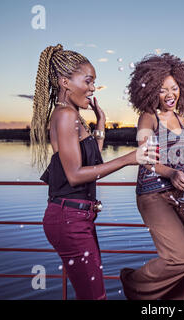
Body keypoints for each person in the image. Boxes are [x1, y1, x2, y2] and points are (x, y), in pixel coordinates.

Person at [30, 44, 157, 300]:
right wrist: (129, 159)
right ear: (65, 82)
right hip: (69, 220)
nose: (92, 88)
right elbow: (76, 174)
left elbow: (91, 161)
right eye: (88, 81)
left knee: (91, 294)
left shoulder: (72, 115)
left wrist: (100, 125)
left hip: (76, 218)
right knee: (94, 297)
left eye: (94, 82)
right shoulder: (65, 115)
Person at [119, 53, 184, 300]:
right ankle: (132, 282)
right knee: (182, 258)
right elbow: (145, 156)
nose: (170, 95)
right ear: (149, 92)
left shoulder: (180, 118)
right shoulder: (149, 116)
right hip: (154, 195)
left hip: (183, 194)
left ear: (183, 87)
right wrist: (171, 172)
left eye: (174, 88)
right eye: (162, 89)